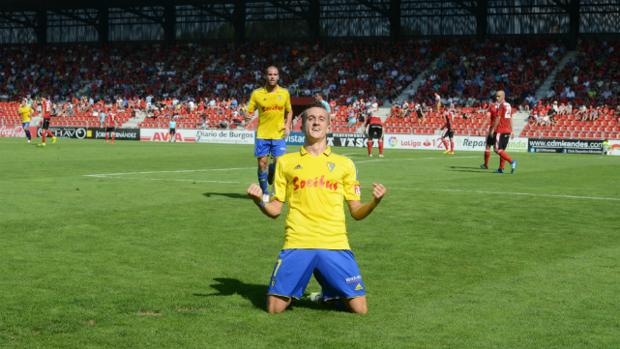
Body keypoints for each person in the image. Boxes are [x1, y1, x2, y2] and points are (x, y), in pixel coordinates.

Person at [246, 103, 387, 314]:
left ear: (329, 126)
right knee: (274, 308)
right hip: (298, 240)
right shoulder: (285, 163)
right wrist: (259, 201)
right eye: (310, 118)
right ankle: (301, 280)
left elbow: (356, 212)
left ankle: (327, 293)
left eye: (321, 119)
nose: (316, 122)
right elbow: (275, 210)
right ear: (301, 125)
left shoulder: (345, 164)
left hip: (335, 242)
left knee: (360, 309)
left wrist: (374, 202)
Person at [246, 66, 293, 201]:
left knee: (280, 163)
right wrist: (246, 116)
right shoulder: (256, 94)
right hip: (262, 135)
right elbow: (249, 111)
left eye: (275, 74)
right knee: (262, 164)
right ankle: (265, 192)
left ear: (278, 77)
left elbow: (289, 111)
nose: (272, 76)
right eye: (270, 74)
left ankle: (276, 191)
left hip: (279, 135)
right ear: (265, 76)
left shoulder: (284, 93)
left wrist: (287, 125)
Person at [491, 90, 517, 174]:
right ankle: (501, 169)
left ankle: (512, 161)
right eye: (496, 96)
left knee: (497, 149)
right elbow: (510, 118)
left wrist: (492, 129)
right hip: (507, 131)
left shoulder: (501, 106)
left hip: (500, 130)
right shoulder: (509, 105)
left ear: (503, 97)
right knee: (502, 151)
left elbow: (498, 118)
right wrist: (512, 130)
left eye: (498, 96)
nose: (497, 98)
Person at [481, 100, 498, 169]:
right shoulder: (503, 106)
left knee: (488, 147)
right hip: (499, 128)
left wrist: (481, 128)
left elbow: (487, 118)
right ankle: (508, 161)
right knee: (496, 149)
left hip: (492, 128)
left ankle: (485, 164)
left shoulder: (492, 106)